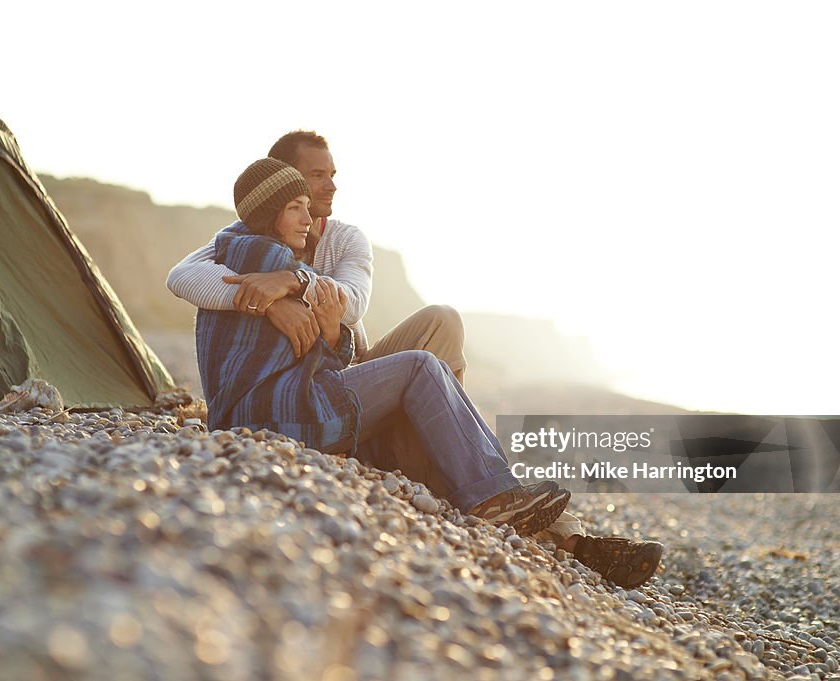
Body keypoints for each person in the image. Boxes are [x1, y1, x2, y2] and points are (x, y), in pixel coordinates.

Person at [171, 137, 664, 587]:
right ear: (277, 188)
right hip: (299, 398)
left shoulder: (334, 240)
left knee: (441, 325)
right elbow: (183, 276)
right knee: (424, 370)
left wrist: (295, 285)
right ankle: (523, 512)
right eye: (313, 179)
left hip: (322, 375)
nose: (330, 186)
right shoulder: (250, 245)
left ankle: (502, 493)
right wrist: (263, 297)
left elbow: (352, 303)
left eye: (329, 176)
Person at [197, 157, 571, 538]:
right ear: (266, 213)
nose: (307, 220)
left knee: (425, 365)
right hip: (274, 413)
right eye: (295, 208)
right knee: (420, 367)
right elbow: (316, 360)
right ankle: (491, 495)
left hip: (256, 411)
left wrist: (326, 328)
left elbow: (296, 349)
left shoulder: (232, 252)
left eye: (307, 208)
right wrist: (312, 301)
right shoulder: (270, 260)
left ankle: (492, 486)